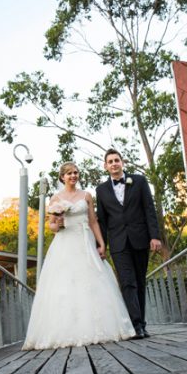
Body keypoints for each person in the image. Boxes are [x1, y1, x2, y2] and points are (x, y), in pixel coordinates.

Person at [22, 161, 135, 350]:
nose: (73, 176)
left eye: (75, 173)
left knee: (93, 282)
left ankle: (100, 328)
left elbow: (93, 221)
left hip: (85, 241)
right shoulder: (56, 198)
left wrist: (101, 244)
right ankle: (67, 330)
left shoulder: (87, 196)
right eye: (69, 174)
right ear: (62, 177)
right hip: (64, 244)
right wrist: (57, 223)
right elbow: (51, 226)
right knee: (65, 284)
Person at [96, 149, 161, 339]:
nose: (114, 164)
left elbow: (149, 208)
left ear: (122, 162)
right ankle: (136, 326)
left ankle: (142, 323)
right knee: (127, 282)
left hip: (140, 238)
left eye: (117, 160)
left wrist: (154, 236)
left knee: (139, 282)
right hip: (118, 243)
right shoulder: (101, 190)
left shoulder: (139, 181)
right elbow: (102, 220)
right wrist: (102, 245)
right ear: (105, 166)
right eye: (110, 161)